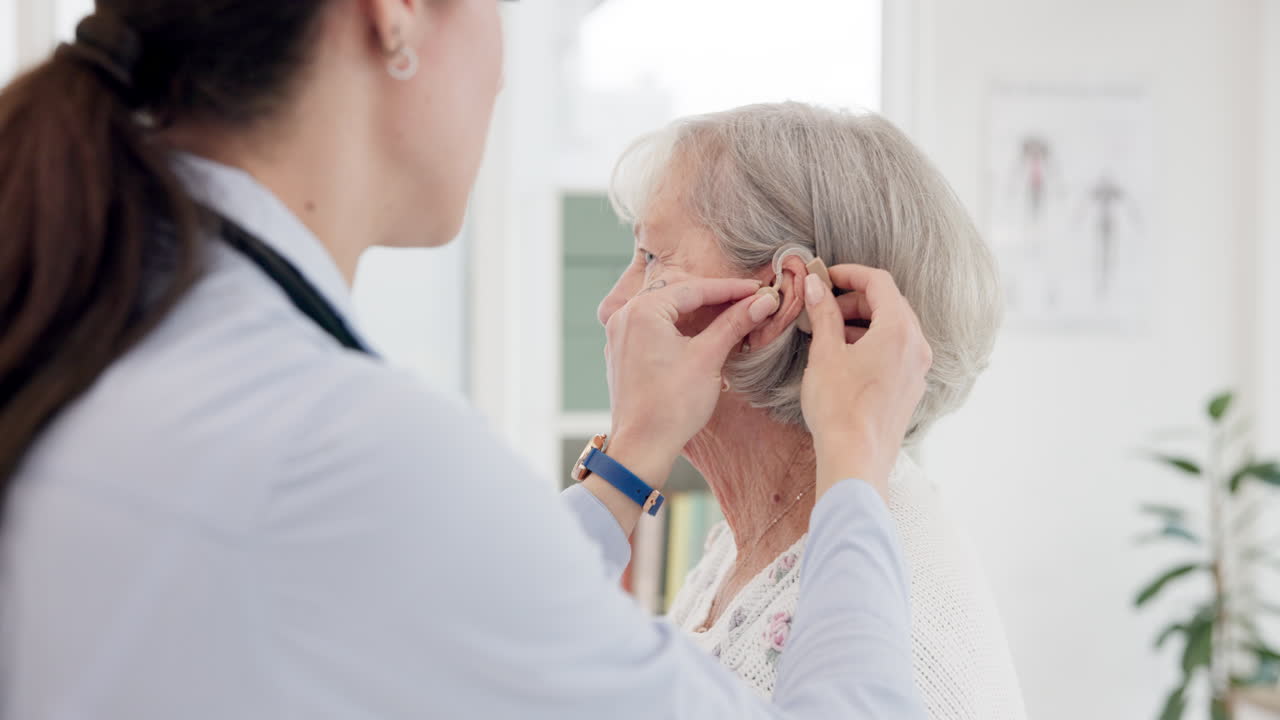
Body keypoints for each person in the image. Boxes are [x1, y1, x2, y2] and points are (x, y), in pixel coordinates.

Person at [0, 2, 934, 719]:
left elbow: (426, 592)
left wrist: (624, 465)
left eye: (651, 257)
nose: (499, 76)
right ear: (395, 14)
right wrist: (854, 453)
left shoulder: (108, 317)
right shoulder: (341, 447)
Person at [600, 102, 1028, 718]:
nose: (612, 309)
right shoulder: (761, 536)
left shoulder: (902, 634)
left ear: (784, 299)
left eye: (651, 259)